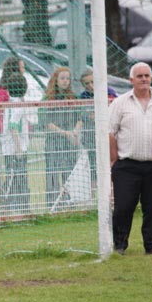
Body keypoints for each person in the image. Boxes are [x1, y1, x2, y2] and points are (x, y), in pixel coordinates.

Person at [108, 62, 152, 255]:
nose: (144, 79)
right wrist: (114, 161)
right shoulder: (120, 103)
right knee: (123, 207)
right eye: (140, 76)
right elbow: (110, 133)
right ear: (131, 80)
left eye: (147, 75)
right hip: (127, 165)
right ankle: (120, 244)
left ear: (151, 78)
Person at [42, 66, 82, 208]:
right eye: (62, 78)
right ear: (56, 80)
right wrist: (65, 133)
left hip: (70, 143)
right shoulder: (47, 98)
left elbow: (80, 116)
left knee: (69, 173)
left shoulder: (73, 97)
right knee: (52, 173)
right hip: (54, 142)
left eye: (68, 78)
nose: (65, 81)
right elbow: (46, 122)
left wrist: (75, 132)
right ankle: (52, 204)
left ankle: (68, 203)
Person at [79, 69, 117, 192]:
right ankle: (96, 192)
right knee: (94, 166)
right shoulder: (83, 97)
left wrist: (100, 115)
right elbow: (83, 115)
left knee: (111, 163)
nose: (90, 85)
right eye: (87, 84)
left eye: (92, 82)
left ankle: (112, 191)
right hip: (90, 137)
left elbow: (115, 109)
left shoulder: (109, 92)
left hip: (109, 135)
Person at [1, 73, 30, 212]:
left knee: (14, 177)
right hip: (16, 149)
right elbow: (13, 126)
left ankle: (12, 206)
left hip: (8, 148)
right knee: (17, 178)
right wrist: (18, 149)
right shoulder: (18, 105)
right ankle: (17, 207)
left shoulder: (11, 103)